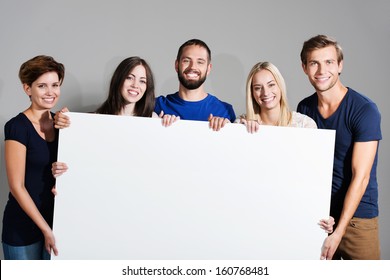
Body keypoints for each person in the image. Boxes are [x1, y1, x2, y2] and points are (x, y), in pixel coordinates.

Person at [297, 34, 382, 260]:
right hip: (320, 217)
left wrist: (340, 231)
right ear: (304, 67)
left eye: (329, 62)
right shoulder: (304, 108)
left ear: (340, 65)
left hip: (357, 219)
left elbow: (361, 176)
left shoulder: (364, 110)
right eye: (314, 63)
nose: (321, 70)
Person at [52, 56, 165, 177]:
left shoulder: (153, 121)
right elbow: (83, 163)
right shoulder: (94, 121)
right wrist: (63, 174)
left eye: (142, 81)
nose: (135, 85)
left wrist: (171, 127)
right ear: (119, 80)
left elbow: (161, 167)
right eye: (129, 78)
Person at [2, 55, 65, 259]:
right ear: (27, 89)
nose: (50, 92)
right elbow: (17, 187)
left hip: (57, 223)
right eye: (42, 86)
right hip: (23, 227)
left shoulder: (63, 124)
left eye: (55, 85)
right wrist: (45, 229)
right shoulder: (17, 127)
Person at [154, 38, 236, 128]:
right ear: (177, 65)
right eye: (187, 61)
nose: (193, 67)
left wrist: (225, 129)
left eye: (200, 62)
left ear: (208, 69)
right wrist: (157, 125)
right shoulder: (157, 105)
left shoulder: (224, 111)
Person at [239, 61, 317, 133]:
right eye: (258, 88)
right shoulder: (242, 124)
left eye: (271, 85)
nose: (265, 93)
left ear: (280, 86)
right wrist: (239, 130)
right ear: (252, 93)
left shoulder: (304, 124)